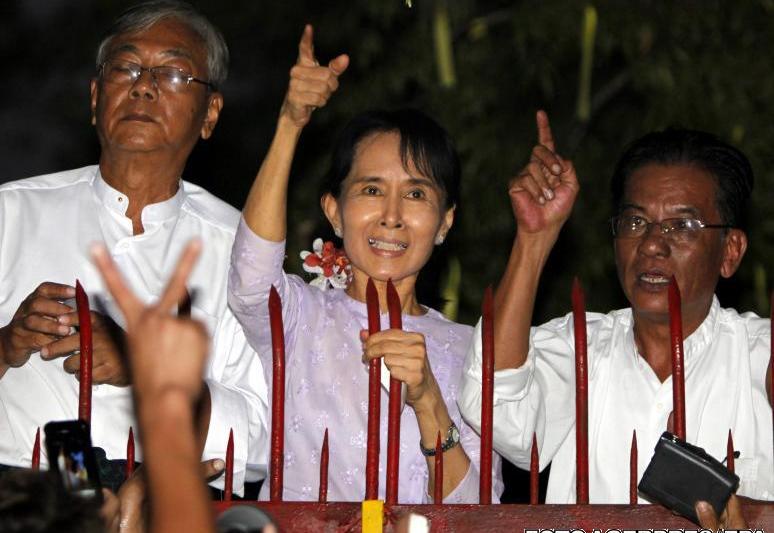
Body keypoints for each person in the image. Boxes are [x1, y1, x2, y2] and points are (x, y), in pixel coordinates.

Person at [0, 0, 267, 495]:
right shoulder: (10, 214)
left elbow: (260, 442)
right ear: (96, 97)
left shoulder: (243, 248)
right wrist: (6, 345)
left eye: (173, 73)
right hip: (21, 498)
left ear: (210, 113)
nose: (143, 85)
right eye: (126, 67)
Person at [228, 26, 502, 503]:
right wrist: (291, 123)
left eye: (416, 193)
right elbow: (250, 278)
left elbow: (478, 513)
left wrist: (428, 400)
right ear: (334, 211)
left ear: (445, 222)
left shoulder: (473, 352)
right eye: (371, 190)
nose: (392, 215)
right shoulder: (298, 316)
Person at [457, 112, 771, 521]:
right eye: (636, 221)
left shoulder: (758, 354)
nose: (652, 244)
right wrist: (533, 240)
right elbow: (496, 408)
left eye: (681, 225)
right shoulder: (580, 347)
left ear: (730, 251)